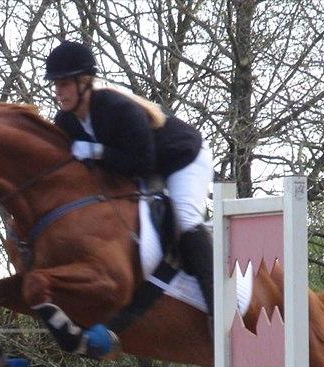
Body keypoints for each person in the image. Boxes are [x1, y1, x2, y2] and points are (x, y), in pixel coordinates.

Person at [44, 40, 215, 322]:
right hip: (143, 171)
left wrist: (97, 151)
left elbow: (143, 162)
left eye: (64, 83)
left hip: (182, 158)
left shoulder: (115, 108)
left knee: (185, 220)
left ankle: (219, 307)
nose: (58, 91)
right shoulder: (67, 122)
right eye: (56, 84)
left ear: (84, 81)